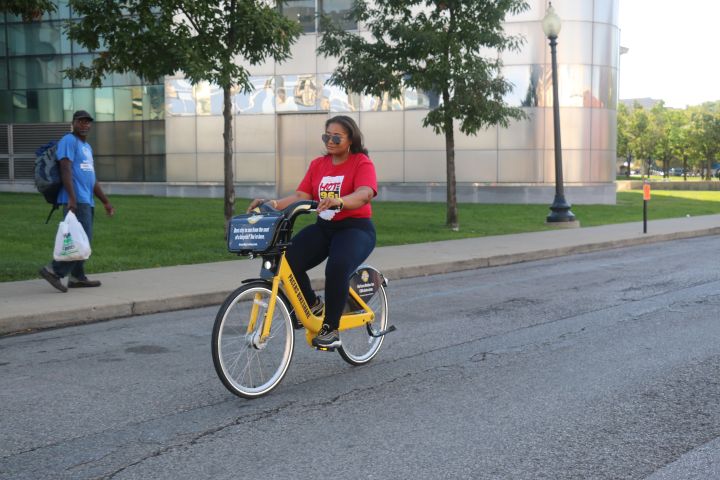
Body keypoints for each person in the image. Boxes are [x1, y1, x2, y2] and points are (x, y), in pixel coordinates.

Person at [247, 115, 377, 349]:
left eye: (336, 136)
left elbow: (365, 193)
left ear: (351, 138)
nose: (330, 140)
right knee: (287, 259)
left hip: (355, 229)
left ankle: (331, 328)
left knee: (337, 267)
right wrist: (272, 203)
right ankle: (313, 304)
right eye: (326, 135)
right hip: (324, 228)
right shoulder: (319, 164)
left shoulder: (361, 162)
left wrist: (340, 201)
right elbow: (300, 196)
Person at [39, 110, 115, 293]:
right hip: (75, 199)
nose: (85, 125)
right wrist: (71, 198)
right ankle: (53, 271)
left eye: (88, 122)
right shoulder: (68, 141)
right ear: (73, 123)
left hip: (86, 200)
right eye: (81, 121)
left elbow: (91, 178)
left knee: (83, 241)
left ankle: (77, 277)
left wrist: (105, 201)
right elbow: (65, 168)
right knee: (80, 240)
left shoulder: (87, 147)